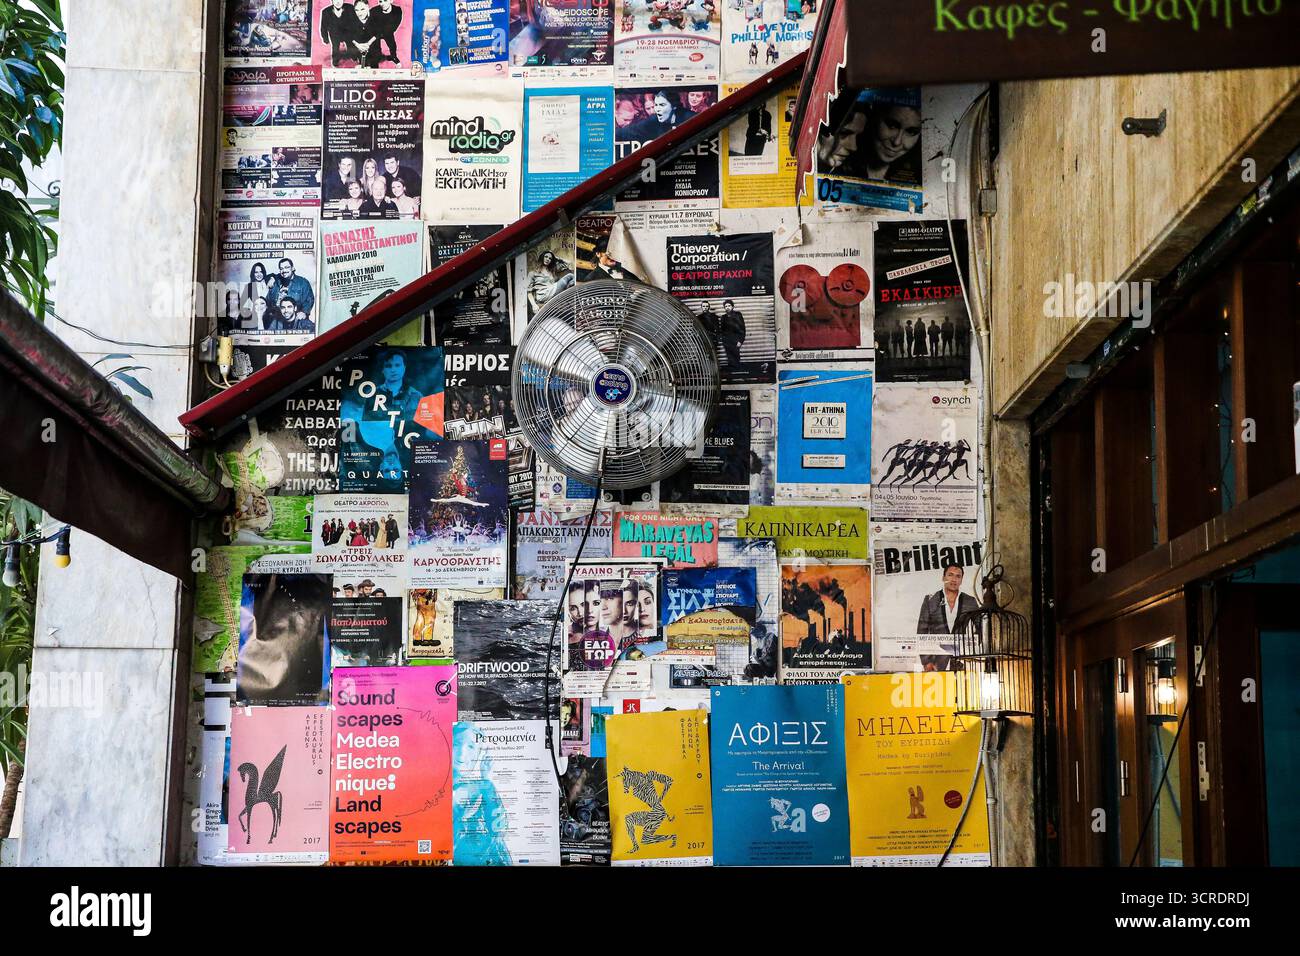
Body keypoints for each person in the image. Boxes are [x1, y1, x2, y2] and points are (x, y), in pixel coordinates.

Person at [915, 562, 979, 671]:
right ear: (943, 577)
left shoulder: (970, 601)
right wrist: (926, 661)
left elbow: (981, 628)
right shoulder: (930, 600)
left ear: (961, 580)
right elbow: (922, 631)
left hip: (961, 660)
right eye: (950, 575)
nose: (954, 579)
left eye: (958, 576)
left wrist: (972, 650)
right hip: (936, 662)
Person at [526, 250, 575, 315]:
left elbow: (568, 263)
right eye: (546, 257)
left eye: (550, 258)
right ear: (542, 257)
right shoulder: (532, 273)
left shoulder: (552, 271)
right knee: (570, 276)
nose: (548, 259)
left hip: (552, 292)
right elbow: (529, 292)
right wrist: (534, 305)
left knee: (571, 281)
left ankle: (566, 294)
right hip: (543, 295)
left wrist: (556, 258)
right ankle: (566, 294)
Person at [320, 0, 358, 66]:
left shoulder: (350, 8)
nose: (338, 2)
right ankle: (335, 61)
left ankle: (354, 56)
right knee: (335, 48)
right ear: (332, 1)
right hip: (334, 34)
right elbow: (323, 27)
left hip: (348, 33)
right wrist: (325, 39)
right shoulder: (326, 12)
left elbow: (356, 23)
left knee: (351, 46)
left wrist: (357, 36)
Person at [348, 0, 382, 68]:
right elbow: (349, 36)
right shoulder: (351, 21)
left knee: (374, 70)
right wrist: (358, 45)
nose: (360, 13)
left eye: (362, 9)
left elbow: (378, 33)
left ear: (368, 7)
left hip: (374, 51)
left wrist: (368, 44)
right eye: (357, 10)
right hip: (359, 51)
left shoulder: (375, 18)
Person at [718, 298, 746, 370]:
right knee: (729, 358)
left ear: (732, 306)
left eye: (729, 306)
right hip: (727, 341)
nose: (727, 307)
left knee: (736, 357)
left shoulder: (738, 315)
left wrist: (740, 341)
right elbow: (722, 330)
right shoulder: (723, 317)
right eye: (726, 306)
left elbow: (742, 328)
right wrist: (723, 340)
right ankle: (731, 372)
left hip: (736, 340)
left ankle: (737, 372)